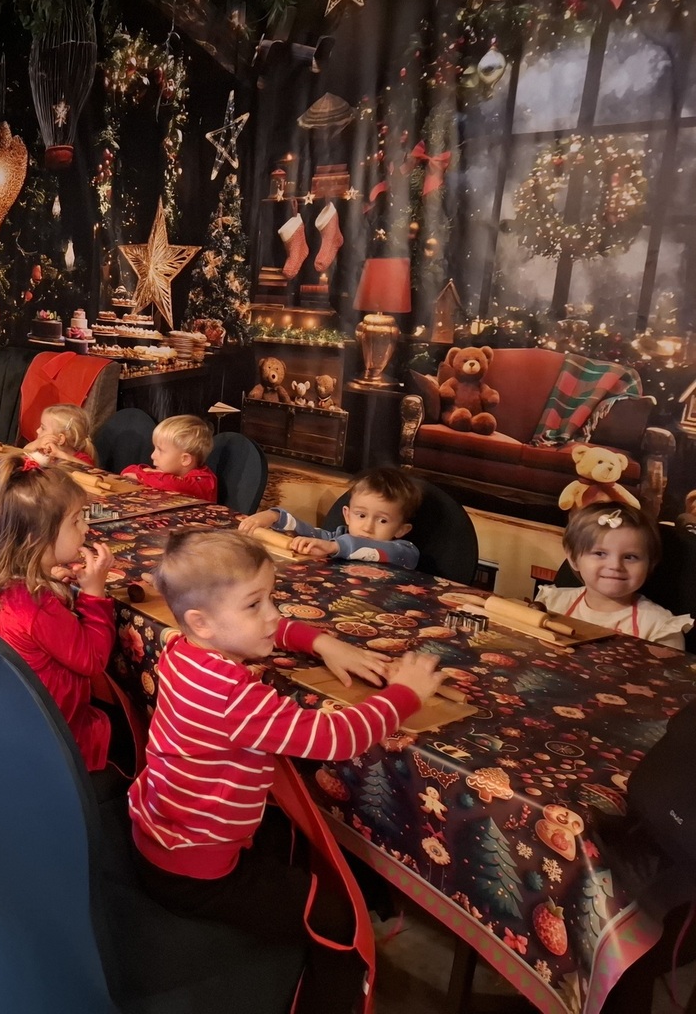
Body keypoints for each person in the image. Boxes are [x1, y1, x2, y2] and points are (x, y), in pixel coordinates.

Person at [129, 530, 446, 1012]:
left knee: (296, 848)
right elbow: (337, 738)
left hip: (162, 838)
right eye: (255, 604)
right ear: (202, 622)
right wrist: (407, 694)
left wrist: (321, 642)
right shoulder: (230, 694)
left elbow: (255, 629)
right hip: (196, 873)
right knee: (341, 918)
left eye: (271, 598)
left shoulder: (182, 648)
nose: (274, 615)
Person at [0, 455, 114, 771]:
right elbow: (93, 659)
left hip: (11, 722)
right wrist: (94, 594)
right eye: (76, 521)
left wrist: (48, 580)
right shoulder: (36, 604)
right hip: (56, 740)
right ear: (36, 537)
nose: (86, 527)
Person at [536, 502, 692, 648]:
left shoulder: (659, 628)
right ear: (573, 559)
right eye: (600, 553)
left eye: (630, 557)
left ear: (650, 564)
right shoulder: (551, 604)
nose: (615, 566)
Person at [240, 466, 421, 567]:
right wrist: (275, 516)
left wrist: (334, 547)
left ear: (401, 529)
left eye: (382, 520)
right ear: (347, 515)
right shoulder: (337, 537)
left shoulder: (404, 552)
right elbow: (311, 533)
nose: (368, 527)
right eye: (361, 515)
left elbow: (386, 551)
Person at [121, 414, 216, 501]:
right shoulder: (167, 473)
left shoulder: (204, 481)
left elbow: (171, 483)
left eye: (160, 450)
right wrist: (146, 473)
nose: (152, 456)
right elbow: (127, 471)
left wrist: (142, 476)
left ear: (185, 459)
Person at [24, 403, 97, 466]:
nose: (37, 430)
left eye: (43, 428)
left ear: (60, 439)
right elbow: (21, 456)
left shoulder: (81, 458)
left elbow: (89, 470)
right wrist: (35, 444)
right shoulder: (42, 452)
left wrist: (59, 454)